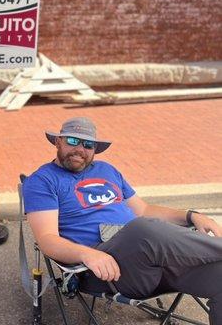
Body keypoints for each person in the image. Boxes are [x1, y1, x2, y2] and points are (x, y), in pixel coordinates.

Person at [22, 117, 222, 324]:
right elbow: (46, 239)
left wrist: (191, 215)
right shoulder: (42, 181)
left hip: (156, 260)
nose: (80, 149)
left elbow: (144, 209)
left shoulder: (107, 170)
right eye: (73, 141)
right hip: (109, 271)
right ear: (58, 142)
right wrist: (87, 253)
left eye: (88, 144)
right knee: (142, 229)